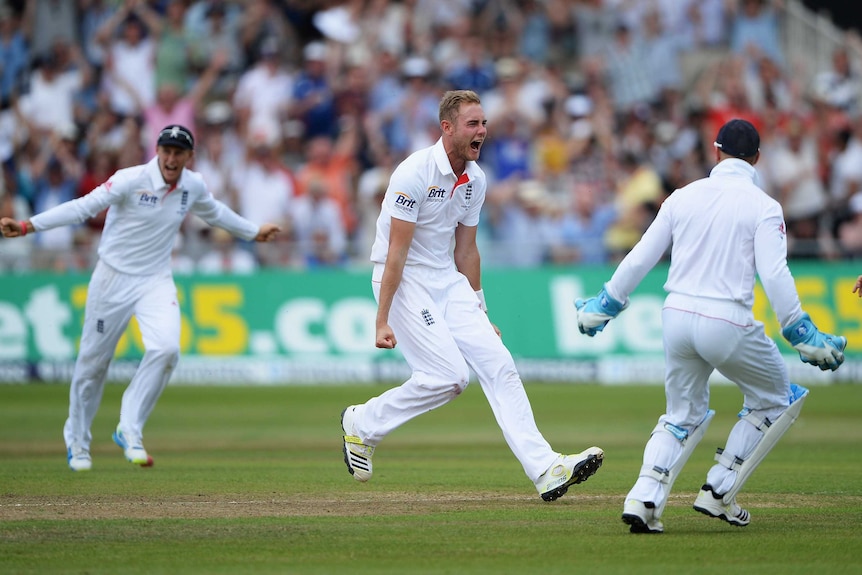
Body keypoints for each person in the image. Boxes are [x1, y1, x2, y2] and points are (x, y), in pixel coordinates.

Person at [574, 119, 847, 533]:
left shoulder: (682, 196)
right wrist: (800, 332)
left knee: (681, 414)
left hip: (677, 317)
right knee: (777, 398)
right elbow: (774, 275)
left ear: (715, 151)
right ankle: (719, 490)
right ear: (756, 158)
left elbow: (640, 257)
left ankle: (644, 498)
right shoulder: (764, 206)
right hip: (728, 320)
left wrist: (605, 304)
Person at [340, 90, 604, 501]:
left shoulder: (475, 179)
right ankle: (362, 422)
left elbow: (466, 251)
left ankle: (546, 469)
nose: (482, 131)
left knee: (499, 363)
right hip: (405, 278)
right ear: (447, 128)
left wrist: (481, 310)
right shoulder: (414, 173)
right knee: (450, 377)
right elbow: (396, 252)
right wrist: (382, 318)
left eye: (483, 123)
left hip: (447, 281)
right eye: (472, 124)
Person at [0, 124, 280, 471]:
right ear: (157, 151)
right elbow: (82, 208)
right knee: (92, 364)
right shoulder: (130, 179)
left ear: (189, 157)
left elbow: (216, 213)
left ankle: (129, 428)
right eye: (166, 151)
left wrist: (253, 232)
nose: (171, 158)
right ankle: (78, 441)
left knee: (167, 349)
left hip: (155, 280)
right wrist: (28, 226)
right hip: (112, 279)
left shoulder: (193, 186)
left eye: (179, 153)